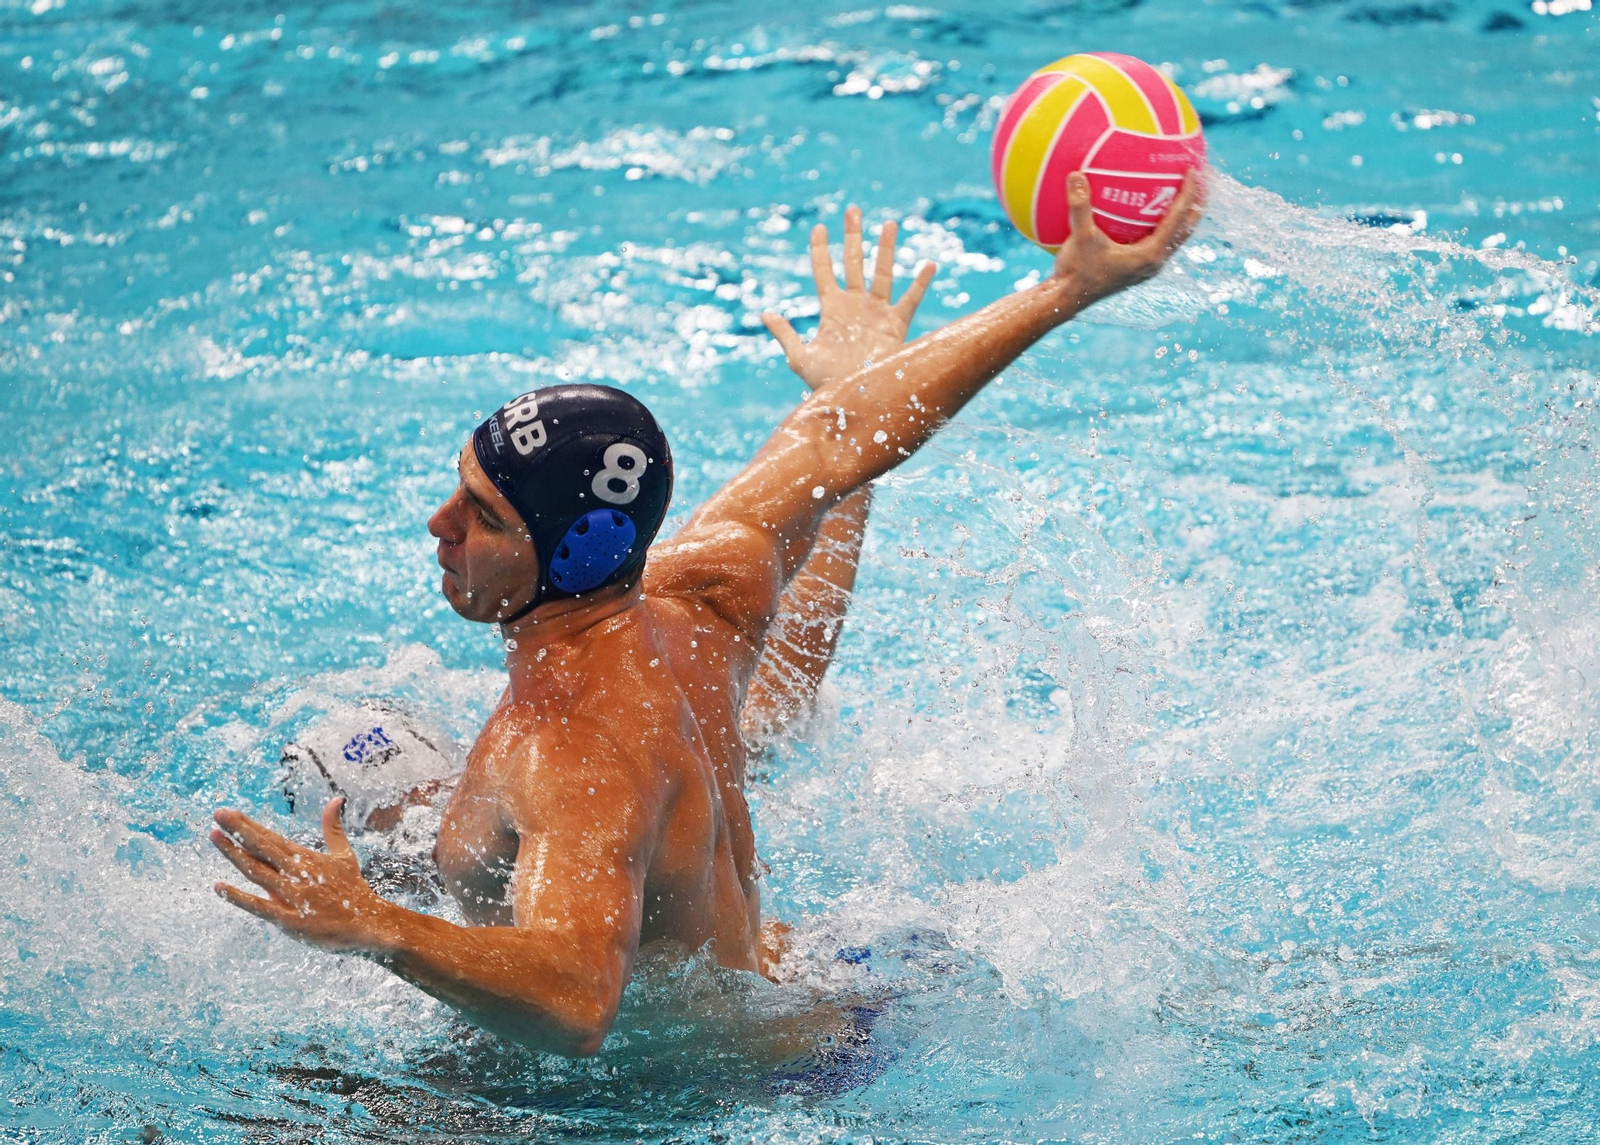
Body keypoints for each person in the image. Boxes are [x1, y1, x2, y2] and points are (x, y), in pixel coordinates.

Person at [210, 172, 1203, 1057]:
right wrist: (1067, 288)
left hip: (709, 1097)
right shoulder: (695, 584)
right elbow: (838, 437)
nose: (439, 525)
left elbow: (573, 1001)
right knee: (765, 705)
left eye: (483, 515)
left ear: (576, 550)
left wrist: (378, 925)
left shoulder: (570, 751)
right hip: (825, 993)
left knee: (284, 1104)